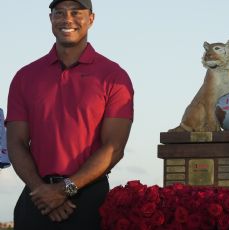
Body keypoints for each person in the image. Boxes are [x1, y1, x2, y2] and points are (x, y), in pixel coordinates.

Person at [6, 0, 134, 229]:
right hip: (37, 196)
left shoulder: (114, 76)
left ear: (91, 19)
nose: (67, 19)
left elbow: (114, 147)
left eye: (76, 12)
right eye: (59, 13)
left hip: (89, 199)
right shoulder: (25, 76)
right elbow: (15, 142)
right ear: (50, 19)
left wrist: (64, 189)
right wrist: (43, 191)